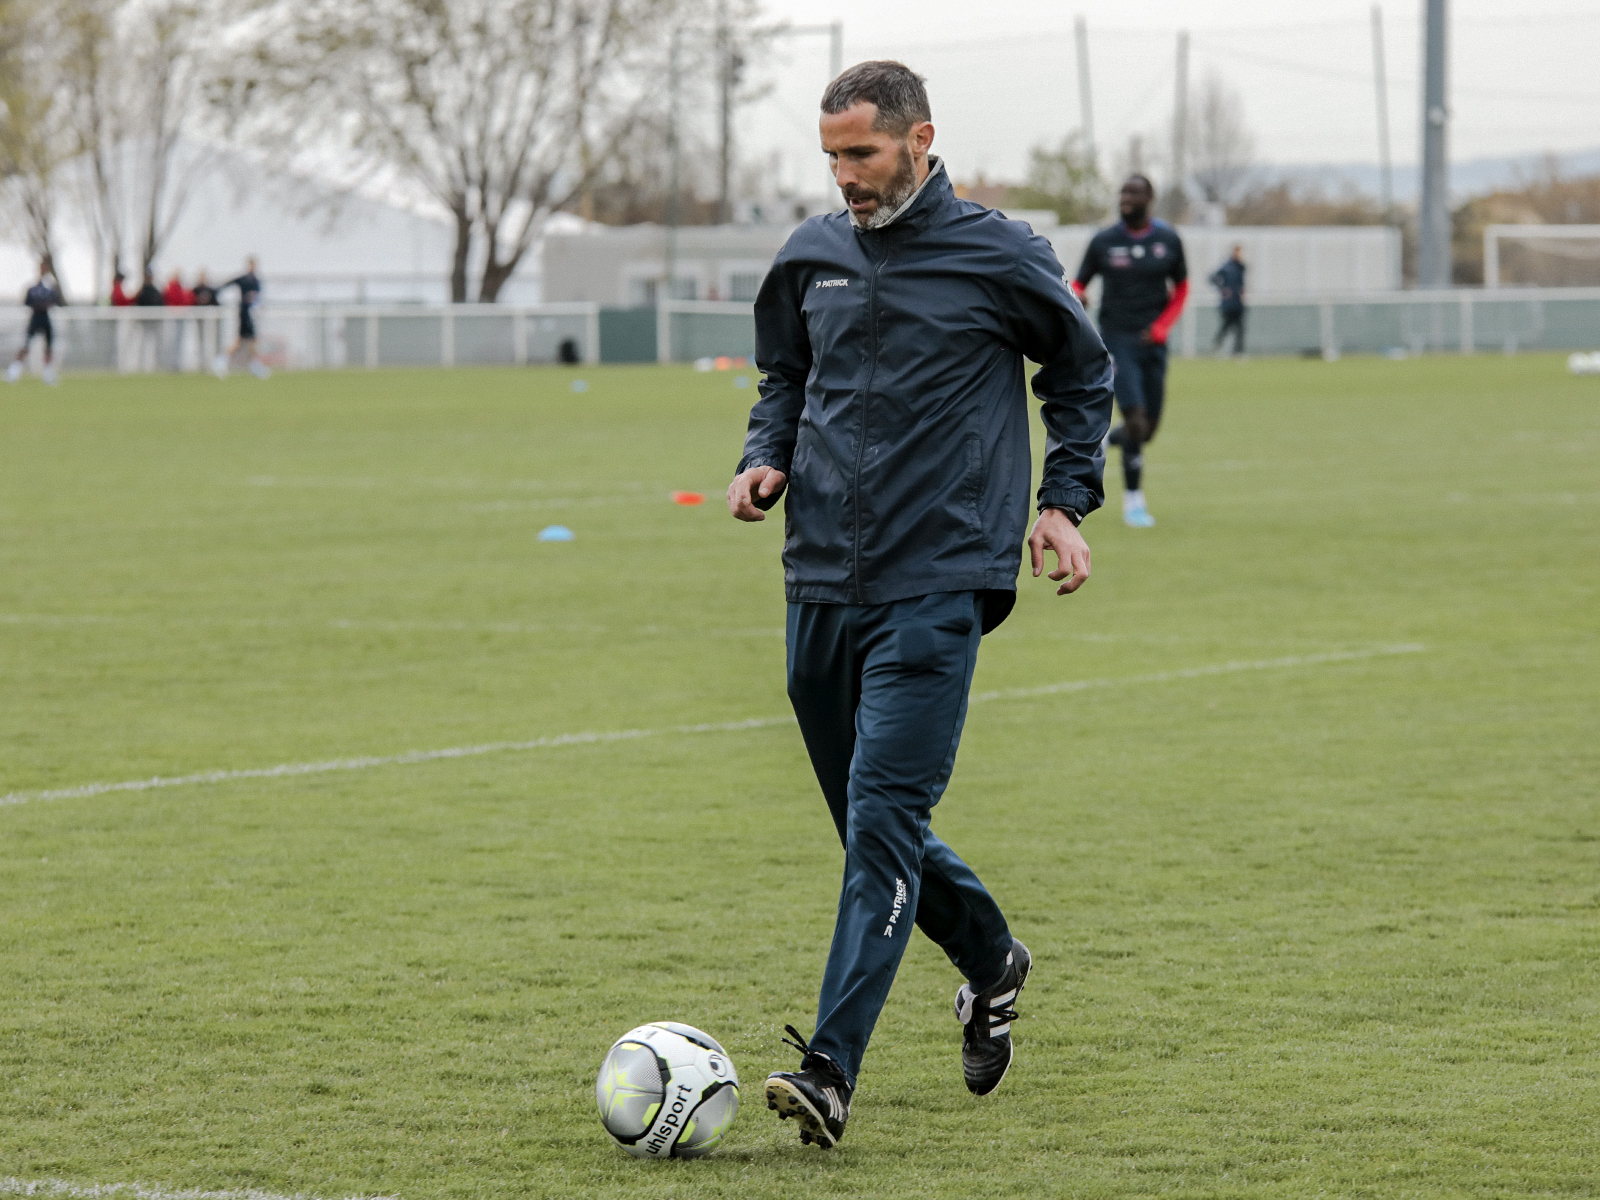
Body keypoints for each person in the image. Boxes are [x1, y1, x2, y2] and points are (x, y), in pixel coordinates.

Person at [727, 60, 1113, 1150]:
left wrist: (1063, 504)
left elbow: (1080, 377)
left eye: (862, 153)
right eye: (831, 157)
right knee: (865, 824)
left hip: (942, 577)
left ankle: (829, 1071)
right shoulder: (810, 254)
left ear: (919, 138)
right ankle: (990, 957)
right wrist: (765, 459)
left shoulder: (999, 252)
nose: (845, 176)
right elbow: (784, 379)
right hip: (819, 577)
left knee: (883, 825)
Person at [1072, 175, 1188, 528]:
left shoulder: (1168, 240)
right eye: (1123, 192)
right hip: (1116, 340)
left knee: (1148, 430)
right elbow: (1078, 282)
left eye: (1133, 193)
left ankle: (1107, 439)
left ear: (1149, 199)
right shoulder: (1104, 241)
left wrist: (1162, 327)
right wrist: (1078, 295)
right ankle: (1134, 503)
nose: (1126, 198)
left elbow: (1182, 287)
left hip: (1153, 343)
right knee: (1136, 421)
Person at [6, 258, 63, 385]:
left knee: (48, 347)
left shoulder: (51, 287)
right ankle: (13, 372)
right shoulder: (33, 287)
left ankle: (48, 374)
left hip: (46, 318)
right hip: (35, 318)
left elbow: (58, 302)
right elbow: (27, 301)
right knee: (25, 345)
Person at [214, 257, 270, 379]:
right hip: (245, 313)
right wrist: (215, 292)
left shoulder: (256, 280)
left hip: (251, 313)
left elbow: (258, 298)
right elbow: (227, 284)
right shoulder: (244, 279)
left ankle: (254, 364)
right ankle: (221, 360)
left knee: (251, 340)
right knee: (242, 340)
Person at [1209, 245, 1247, 356]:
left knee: (1240, 328)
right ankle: (1216, 345)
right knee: (1226, 326)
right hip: (1228, 304)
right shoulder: (1226, 267)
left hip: (1238, 302)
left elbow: (1241, 283)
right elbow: (1212, 278)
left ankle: (1238, 351)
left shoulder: (1241, 267)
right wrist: (1222, 289)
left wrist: (1242, 291)